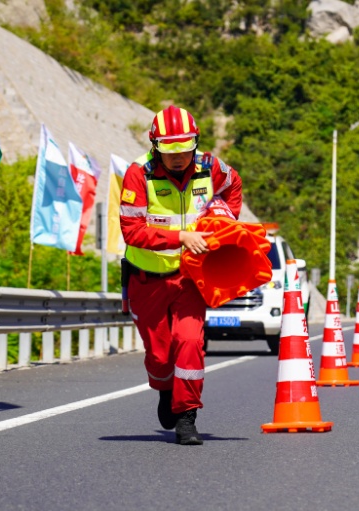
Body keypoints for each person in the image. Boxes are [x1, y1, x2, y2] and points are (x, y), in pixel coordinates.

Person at [120, 105, 243, 445]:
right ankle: (164, 389)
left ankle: (187, 416)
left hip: (191, 276)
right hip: (147, 277)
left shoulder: (210, 166)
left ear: (196, 142)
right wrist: (180, 237)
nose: (178, 158)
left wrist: (224, 220)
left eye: (184, 149)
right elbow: (131, 231)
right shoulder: (138, 174)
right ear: (155, 145)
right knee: (159, 356)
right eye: (170, 151)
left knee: (189, 342)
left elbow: (233, 186)